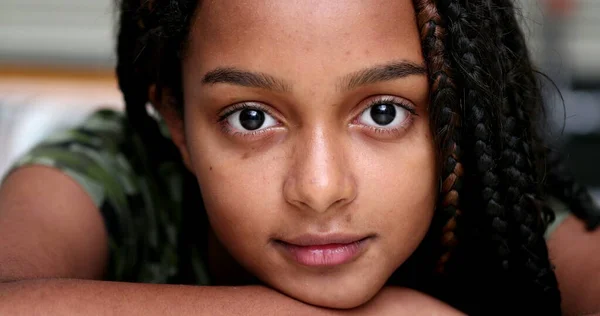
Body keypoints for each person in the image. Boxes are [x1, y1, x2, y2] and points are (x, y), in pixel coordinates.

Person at [0, 0, 598, 314]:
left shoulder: (494, 214)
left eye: (384, 112)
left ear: (454, 117)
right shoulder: (113, 169)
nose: (318, 187)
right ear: (177, 123)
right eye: (251, 118)